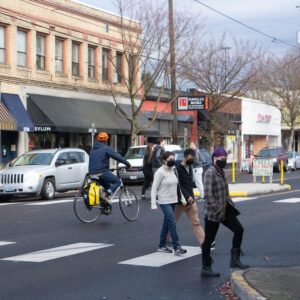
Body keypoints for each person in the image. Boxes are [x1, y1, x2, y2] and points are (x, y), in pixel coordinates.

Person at [201, 148, 249, 277]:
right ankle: (205, 266)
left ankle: (235, 260)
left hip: (225, 208)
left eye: (225, 158)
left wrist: (230, 204)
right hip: (214, 212)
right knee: (209, 240)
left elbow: (224, 192)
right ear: (215, 158)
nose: (224, 161)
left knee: (239, 230)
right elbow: (208, 194)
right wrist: (217, 209)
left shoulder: (220, 171)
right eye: (222, 159)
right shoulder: (210, 172)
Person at [151, 151, 187, 255]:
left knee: (166, 223)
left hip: (173, 200)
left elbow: (178, 187)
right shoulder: (160, 172)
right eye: (170, 159)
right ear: (164, 160)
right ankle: (176, 247)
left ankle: (161, 245)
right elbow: (154, 189)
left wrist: (183, 199)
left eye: (173, 159)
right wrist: (153, 204)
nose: (172, 161)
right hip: (164, 201)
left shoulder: (174, 171)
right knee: (172, 222)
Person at [173, 148, 205, 245]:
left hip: (191, 202)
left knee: (196, 223)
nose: (192, 160)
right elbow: (178, 185)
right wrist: (187, 196)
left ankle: (204, 242)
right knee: (172, 222)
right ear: (185, 157)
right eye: (191, 158)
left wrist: (191, 197)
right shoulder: (177, 169)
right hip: (180, 202)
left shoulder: (190, 167)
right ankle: (166, 239)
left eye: (193, 158)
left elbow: (189, 184)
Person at [89, 132, 131, 201]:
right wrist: (127, 164)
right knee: (117, 182)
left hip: (92, 172)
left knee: (108, 187)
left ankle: (104, 205)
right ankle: (104, 195)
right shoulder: (106, 148)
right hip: (101, 172)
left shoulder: (92, 150)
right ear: (106, 140)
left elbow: (97, 161)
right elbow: (117, 156)